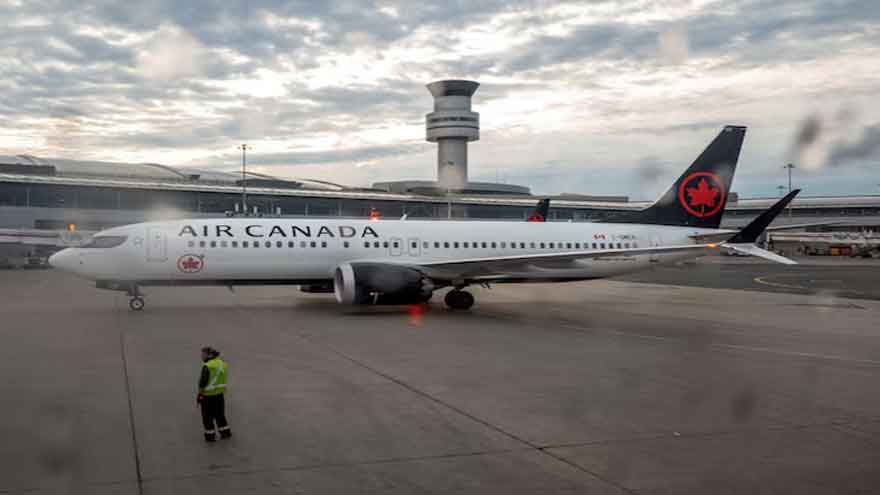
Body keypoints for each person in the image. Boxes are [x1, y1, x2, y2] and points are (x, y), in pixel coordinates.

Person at [197, 346, 231, 442]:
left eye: (203, 354)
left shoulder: (208, 366)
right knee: (220, 415)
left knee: (207, 417)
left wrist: (199, 395)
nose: (201, 356)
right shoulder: (222, 364)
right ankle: (225, 433)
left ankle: (210, 436)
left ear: (209, 355)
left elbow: (203, 382)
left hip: (208, 396)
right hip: (219, 395)